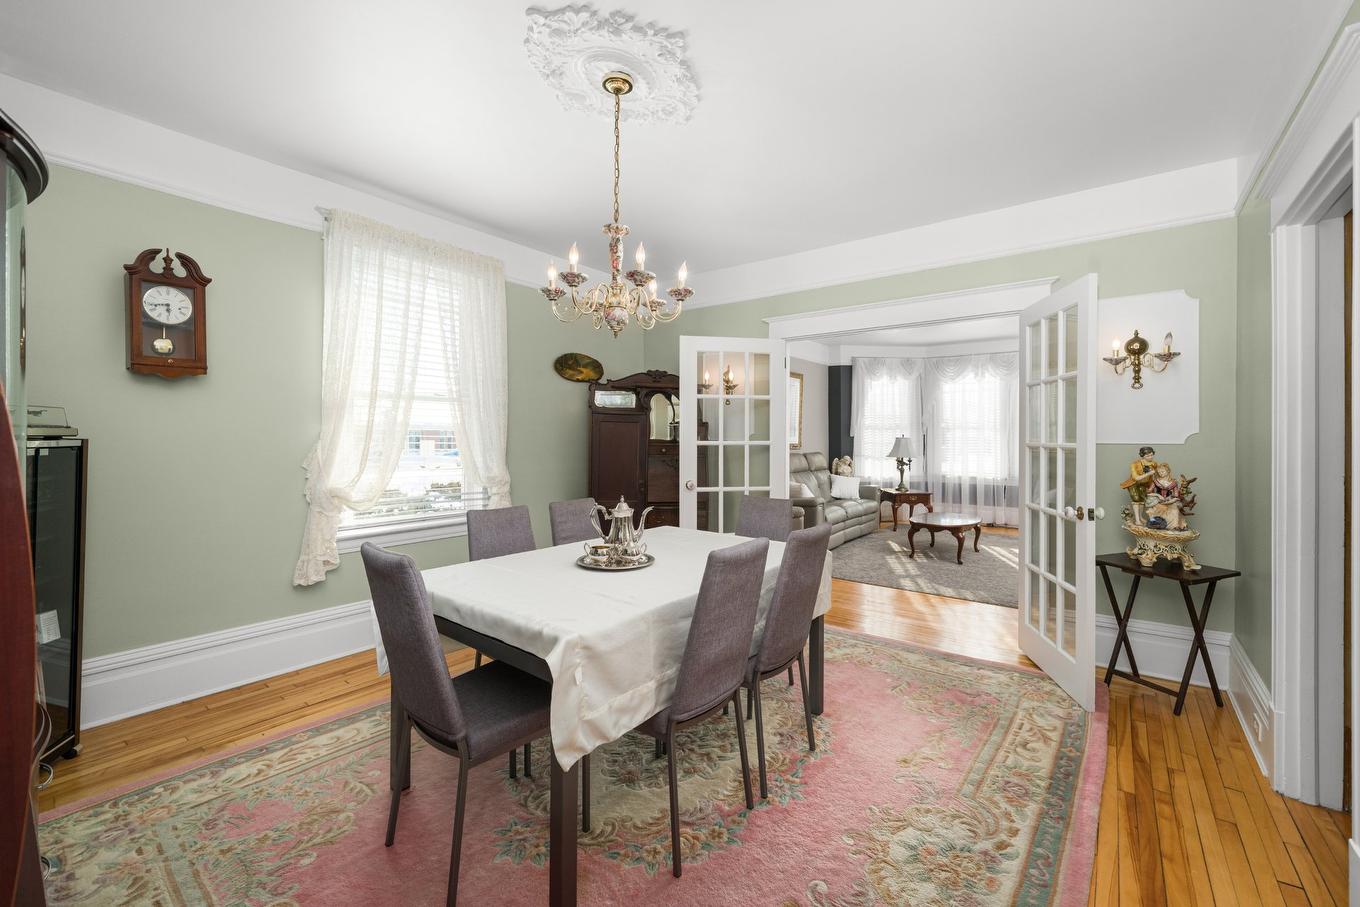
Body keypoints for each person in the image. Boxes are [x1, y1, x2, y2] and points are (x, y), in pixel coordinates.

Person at [1119, 446, 1158, 525]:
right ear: (1142, 455)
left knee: (1142, 501)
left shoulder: (1154, 464)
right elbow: (1136, 478)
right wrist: (1148, 473)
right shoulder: (1135, 464)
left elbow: (1156, 474)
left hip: (1144, 484)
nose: (1150, 457)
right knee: (1136, 500)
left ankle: (1140, 517)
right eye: (1147, 456)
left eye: (1151, 455)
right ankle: (1137, 520)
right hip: (1134, 484)